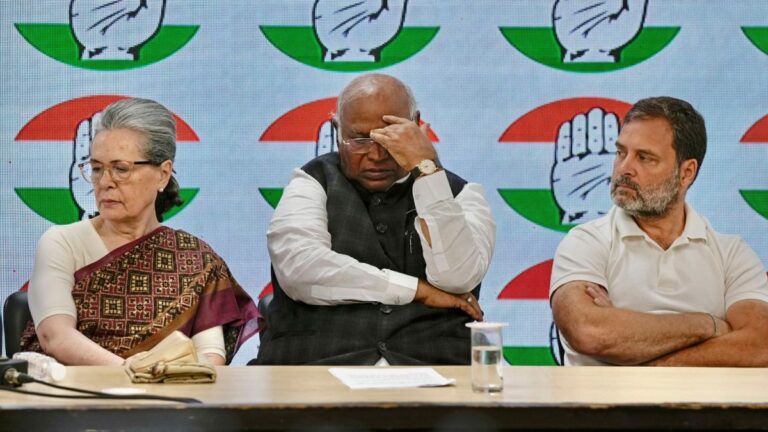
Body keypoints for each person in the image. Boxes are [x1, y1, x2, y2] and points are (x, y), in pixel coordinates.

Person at [254, 73, 495, 365]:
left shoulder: (462, 194)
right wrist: (417, 291)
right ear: (337, 131)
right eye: (360, 140)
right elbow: (302, 270)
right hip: (317, 364)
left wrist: (428, 174)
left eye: (391, 136)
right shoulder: (310, 182)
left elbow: (458, 278)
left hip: (435, 366)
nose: (377, 154)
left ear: (416, 126)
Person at [20, 98, 259, 365]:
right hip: (79, 388)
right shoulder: (62, 243)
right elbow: (55, 337)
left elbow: (210, 356)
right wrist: (133, 373)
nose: (104, 182)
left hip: (172, 390)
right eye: (96, 169)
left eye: (120, 169)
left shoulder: (194, 258)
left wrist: (163, 380)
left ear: (163, 174)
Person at [550, 96, 768, 366]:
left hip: (696, 398)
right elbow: (589, 332)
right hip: (604, 398)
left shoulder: (731, 254)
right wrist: (707, 325)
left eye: (645, 158)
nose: (624, 169)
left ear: (686, 173)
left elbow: (760, 346)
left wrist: (640, 353)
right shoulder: (585, 242)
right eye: (621, 153)